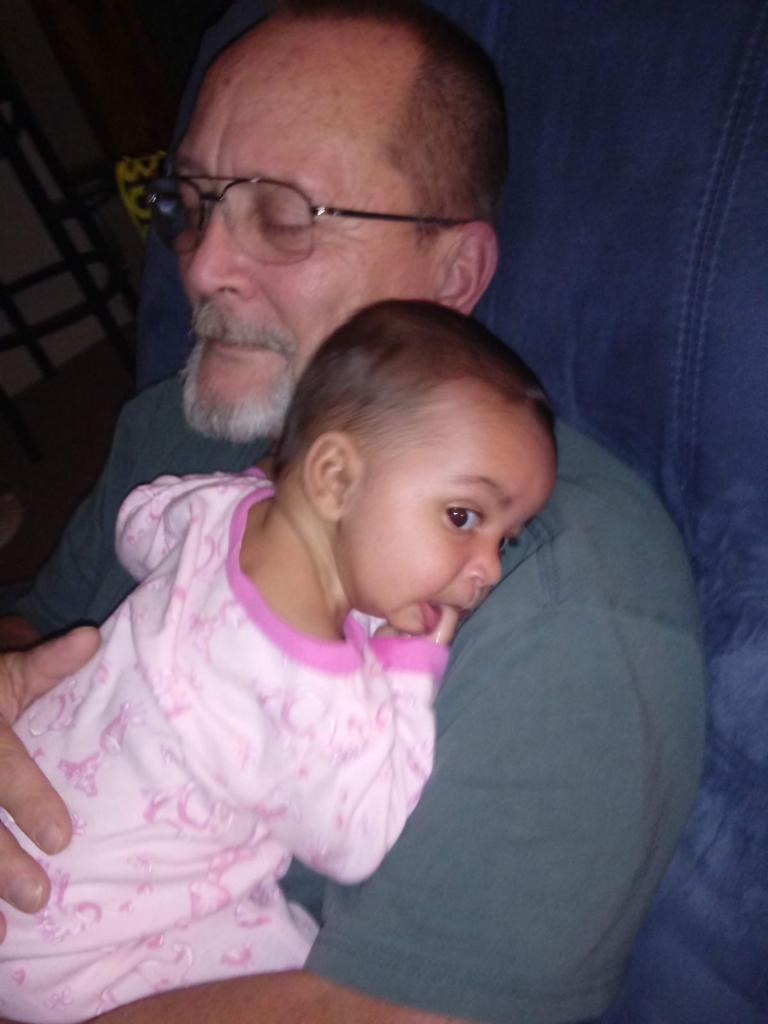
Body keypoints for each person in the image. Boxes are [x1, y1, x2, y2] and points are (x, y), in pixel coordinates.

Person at [0, 3, 706, 1023]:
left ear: (453, 273)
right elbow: (43, 618)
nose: (198, 264)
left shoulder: (551, 594)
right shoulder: (179, 427)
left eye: (285, 215)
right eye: (193, 199)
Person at [0, 300, 557, 1024]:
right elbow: (354, 839)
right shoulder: (312, 692)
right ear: (332, 477)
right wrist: (408, 670)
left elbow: (142, 522)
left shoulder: (221, 509)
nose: (486, 568)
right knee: (304, 966)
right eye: (463, 517)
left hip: (22, 822)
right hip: (79, 954)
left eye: (506, 539)